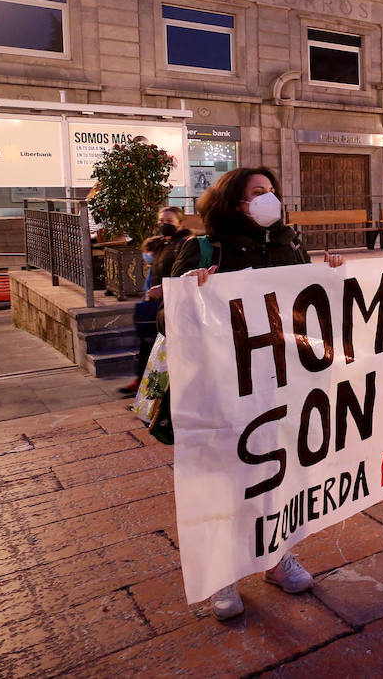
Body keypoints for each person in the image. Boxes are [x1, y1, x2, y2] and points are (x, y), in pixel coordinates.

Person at [170, 167, 345, 621]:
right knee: (225, 479)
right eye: (257, 193)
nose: (269, 199)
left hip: (280, 379)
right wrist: (193, 293)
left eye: (272, 191)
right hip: (224, 385)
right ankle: (223, 574)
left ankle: (275, 557)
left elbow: (305, 309)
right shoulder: (203, 248)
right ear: (235, 203)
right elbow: (167, 321)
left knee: (277, 475)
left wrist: (329, 278)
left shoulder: (290, 244)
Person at [120, 207, 193, 396]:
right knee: (147, 345)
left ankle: (155, 390)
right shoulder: (165, 243)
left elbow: (184, 275)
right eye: (162, 221)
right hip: (156, 303)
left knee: (159, 347)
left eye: (169, 221)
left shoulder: (185, 244)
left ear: (180, 224)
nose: (164, 225)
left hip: (171, 303)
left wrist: (165, 290)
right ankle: (144, 385)